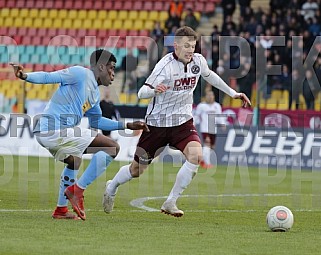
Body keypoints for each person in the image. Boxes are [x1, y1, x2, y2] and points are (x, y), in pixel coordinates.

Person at [102, 26, 251, 217]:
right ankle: (112, 186)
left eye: (193, 46)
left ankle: (171, 201)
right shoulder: (164, 66)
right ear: (176, 46)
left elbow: (209, 75)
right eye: (187, 46)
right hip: (157, 124)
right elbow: (142, 92)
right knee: (137, 170)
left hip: (182, 122)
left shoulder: (198, 61)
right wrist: (155, 90)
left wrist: (234, 93)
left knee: (196, 155)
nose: (190, 50)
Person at [10, 49, 149, 221]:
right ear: (100, 66)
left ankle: (61, 210)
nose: (113, 73)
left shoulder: (94, 94)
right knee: (112, 147)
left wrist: (127, 125)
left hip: (47, 132)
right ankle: (78, 191)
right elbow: (49, 77)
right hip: (55, 129)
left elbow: (97, 121)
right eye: (111, 68)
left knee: (73, 161)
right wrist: (25, 76)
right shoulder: (80, 73)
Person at [194, 90, 225, 168]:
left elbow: (219, 116)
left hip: (213, 128)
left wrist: (222, 123)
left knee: (211, 146)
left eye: (211, 95)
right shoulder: (201, 106)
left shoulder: (217, 106)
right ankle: (206, 163)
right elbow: (197, 116)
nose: (210, 97)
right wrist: (193, 124)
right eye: (208, 95)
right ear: (206, 97)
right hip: (205, 128)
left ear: (214, 96)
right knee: (207, 144)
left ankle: (202, 160)